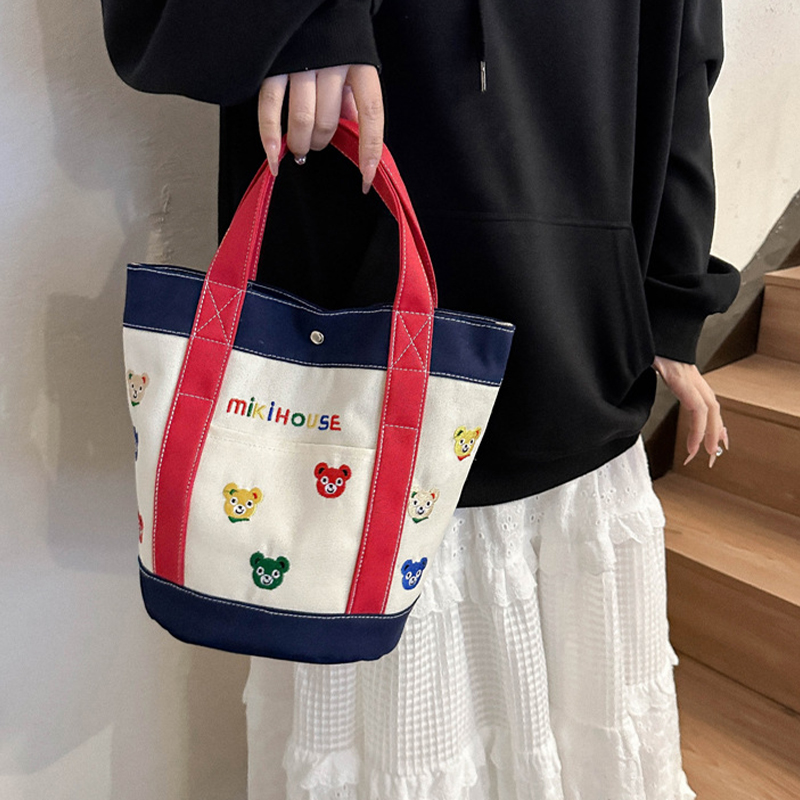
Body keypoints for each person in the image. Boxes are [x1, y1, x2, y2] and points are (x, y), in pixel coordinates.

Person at [102, 1, 741, 797]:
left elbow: (683, 53)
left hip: (579, 366)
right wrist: (308, 17)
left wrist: (673, 303)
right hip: (345, 405)